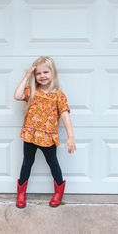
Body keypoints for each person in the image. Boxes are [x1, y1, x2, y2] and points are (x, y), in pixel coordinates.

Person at [14, 56, 76, 208]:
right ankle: (21, 194)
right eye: (38, 73)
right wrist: (27, 75)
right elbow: (17, 95)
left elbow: (65, 115)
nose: (42, 76)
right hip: (30, 134)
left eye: (46, 72)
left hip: (48, 137)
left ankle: (59, 193)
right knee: (27, 163)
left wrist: (70, 136)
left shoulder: (58, 95)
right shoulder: (32, 91)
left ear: (53, 73)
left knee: (53, 164)